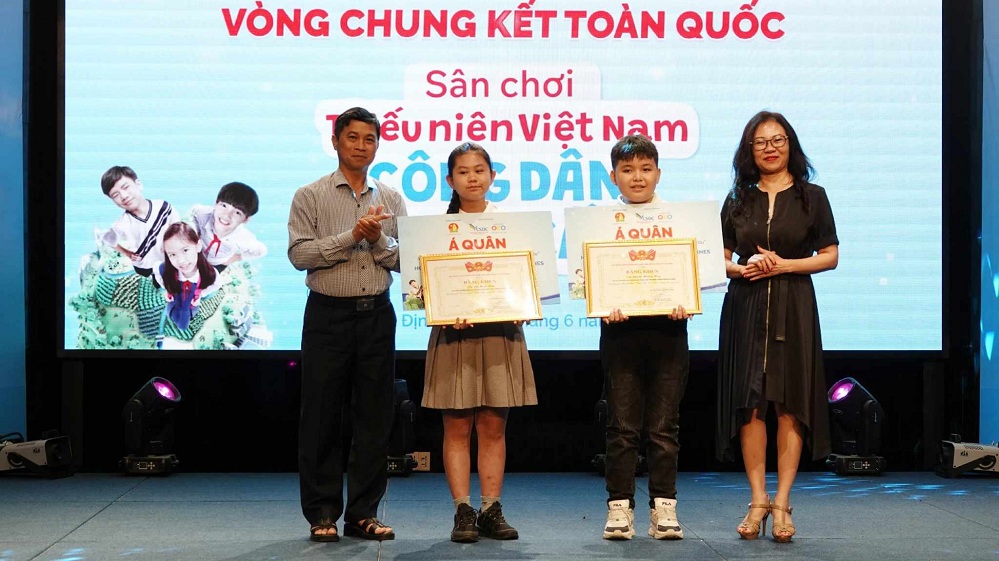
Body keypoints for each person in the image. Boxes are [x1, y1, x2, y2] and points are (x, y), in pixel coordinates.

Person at [715, 110, 839, 543]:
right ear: (749, 150)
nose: (770, 148)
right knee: (750, 404)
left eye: (778, 140)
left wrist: (785, 265)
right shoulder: (737, 199)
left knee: (790, 404)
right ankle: (757, 499)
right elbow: (718, 259)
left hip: (794, 305)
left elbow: (830, 255)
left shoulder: (813, 197)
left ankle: (783, 502)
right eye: (761, 142)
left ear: (790, 145)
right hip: (745, 305)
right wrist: (743, 267)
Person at [287, 106, 408, 543]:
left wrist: (378, 240)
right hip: (327, 315)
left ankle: (362, 514)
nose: (361, 146)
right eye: (352, 137)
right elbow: (299, 255)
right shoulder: (310, 195)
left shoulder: (391, 198)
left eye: (369, 139)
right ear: (335, 141)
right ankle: (322, 512)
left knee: (374, 417)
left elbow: (407, 261)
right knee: (320, 416)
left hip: (376, 315)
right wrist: (352, 236)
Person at [421, 142, 536, 543]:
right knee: (456, 426)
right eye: (463, 171)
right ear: (450, 180)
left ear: (492, 176)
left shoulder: (511, 225)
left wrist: (525, 301)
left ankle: (490, 509)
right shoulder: (435, 229)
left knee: (493, 426)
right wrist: (442, 305)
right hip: (454, 334)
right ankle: (463, 511)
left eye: (479, 170)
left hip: (501, 331)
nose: (472, 178)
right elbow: (421, 288)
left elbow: (530, 277)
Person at [599, 134, 691, 541]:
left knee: (663, 428)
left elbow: (696, 271)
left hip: (669, 332)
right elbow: (587, 280)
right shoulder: (600, 223)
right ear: (614, 176)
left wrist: (687, 297)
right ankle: (619, 508)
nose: (637, 177)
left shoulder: (678, 220)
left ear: (658, 173)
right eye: (627, 169)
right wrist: (601, 300)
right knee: (622, 428)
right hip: (620, 334)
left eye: (645, 168)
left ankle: (664, 508)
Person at [99, 165, 180, 277]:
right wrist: (127, 253)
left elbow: (178, 229)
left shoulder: (163, 207)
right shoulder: (121, 224)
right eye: (115, 195)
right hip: (145, 268)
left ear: (138, 184)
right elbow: (108, 239)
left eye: (126, 187)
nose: (124, 196)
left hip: (170, 262)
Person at [154, 222, 219, 331]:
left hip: (191, 304)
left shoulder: (209, 273)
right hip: (174, 301)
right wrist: (167, 289)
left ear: (198, 246)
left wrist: (201, 295)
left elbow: (215, 285)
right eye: (172, 254)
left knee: (186, 318)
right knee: (172, 313)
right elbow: (160, 277)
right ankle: (172, 318)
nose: (181, 260)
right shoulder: (164, 269)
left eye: (185, 250)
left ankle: (183, 324)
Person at [190, 181, 267, 271]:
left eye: (237, 212)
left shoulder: (244, 238)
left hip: (218, 263)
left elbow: (261, 250)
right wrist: (195, 232)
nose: (227, 215)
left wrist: (238, 257)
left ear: (246, 219)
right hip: (197, 255)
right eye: (224, 205)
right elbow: (195, 210)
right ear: (216, 204)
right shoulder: (203, 215)